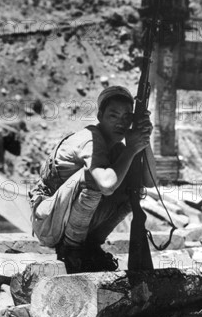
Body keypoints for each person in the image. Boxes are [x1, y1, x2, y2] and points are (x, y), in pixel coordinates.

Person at [29, 86, 157, 273]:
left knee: (134, 185)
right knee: (95, 178)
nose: (120, 123)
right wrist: (131, 149)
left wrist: (143, 140)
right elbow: (105, 185)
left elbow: (149, 182)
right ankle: (71, 251)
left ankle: (91, 246)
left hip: (74, 223)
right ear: (100, 116)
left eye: (127, 117)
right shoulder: (90, 139)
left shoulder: (117, 149)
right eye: (113, 116)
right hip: (49, 224)